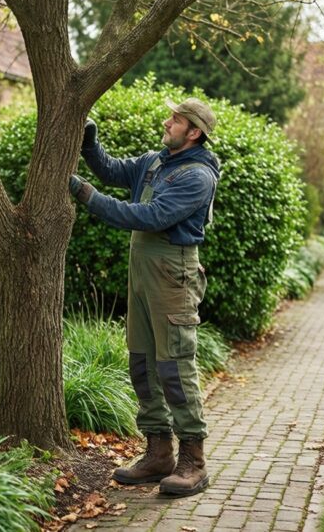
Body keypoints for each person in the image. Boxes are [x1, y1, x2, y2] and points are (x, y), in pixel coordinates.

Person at [69, 98, 221, 497]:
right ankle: (158, 453)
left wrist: (85, 194)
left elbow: (148, 216)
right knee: (142, 362)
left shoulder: (197, 176)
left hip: (173, 272)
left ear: (194, 133)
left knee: (175, 367)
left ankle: (193, 461)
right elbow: (111, 168)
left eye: (176, 119)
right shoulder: (157, 161)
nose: (167, 121)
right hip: (142, 270)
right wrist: (89, 143)